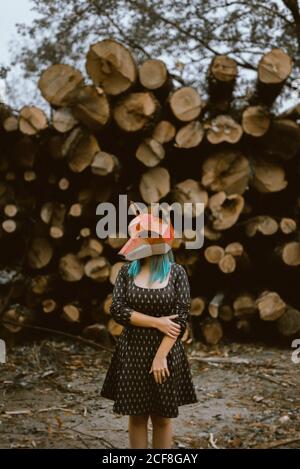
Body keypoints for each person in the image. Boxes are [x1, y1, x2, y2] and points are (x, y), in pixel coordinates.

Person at [100, 211, 198, 449]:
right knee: (137, 416)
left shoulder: (177, 273)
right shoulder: (126, 272)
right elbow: (118, 311)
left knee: (162, 418)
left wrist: (160, 356)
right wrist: (157, 322)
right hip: (132, 352)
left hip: (166, 353)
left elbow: (181, 318)